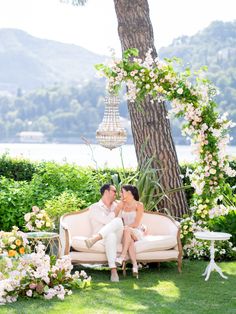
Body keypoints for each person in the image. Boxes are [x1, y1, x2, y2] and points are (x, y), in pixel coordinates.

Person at [84, 184, 123, 282]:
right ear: (106, 192)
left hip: (117, 236)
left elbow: (128, 220)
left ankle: (95, 238)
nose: (116, 194)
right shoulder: (95, 207)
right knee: (110, 235)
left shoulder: (117, 205)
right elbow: (106, 221)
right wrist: (117, 210)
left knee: (118, 221)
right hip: (103, 240)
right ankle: (113, 271)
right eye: (114, 191)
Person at [115, 185, 145, 278]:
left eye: (122, 191)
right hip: (126, 233)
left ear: (129, 193)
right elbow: (114, 217)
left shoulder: (139, 205)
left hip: (136, 231)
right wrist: (119, 205)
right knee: (129, 240)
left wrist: (125, 227)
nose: (121, 193)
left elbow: (136, 223)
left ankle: (122, 256)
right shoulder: (122, 204)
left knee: (127, 230)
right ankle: (135, 265)